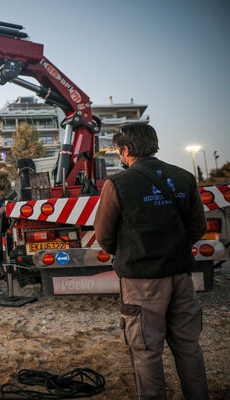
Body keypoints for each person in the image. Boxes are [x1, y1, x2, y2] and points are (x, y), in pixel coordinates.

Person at [94, 123, 208, 399]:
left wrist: (132, 253)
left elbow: (104, 237)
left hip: (141, 281)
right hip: (181, 276)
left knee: (146, 351)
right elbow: (197, 227)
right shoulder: (183, 177)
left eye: (119, 152)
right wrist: (172, 248)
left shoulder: (118, 184)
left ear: (126, 150)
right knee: (188, 347)